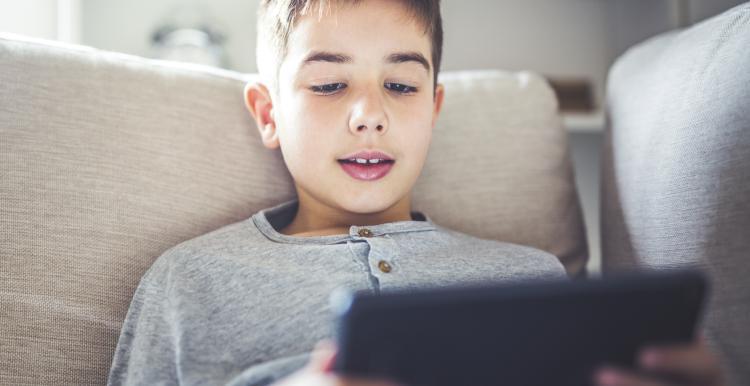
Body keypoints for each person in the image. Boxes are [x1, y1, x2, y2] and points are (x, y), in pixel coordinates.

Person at [106, 1, 725, 385]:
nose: (369, 115)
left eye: (400, 86)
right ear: (268, 115)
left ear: (433, 110)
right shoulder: (189, 280)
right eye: (328, 85)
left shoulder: (528, 278)